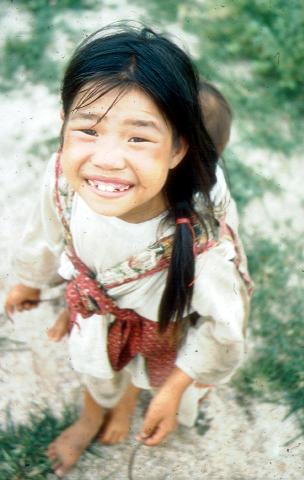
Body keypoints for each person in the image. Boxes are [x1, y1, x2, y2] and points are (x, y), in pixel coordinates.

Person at [5, 25, 252, 478]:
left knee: (136, 371)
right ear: (64, 121)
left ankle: (126, 404)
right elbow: (44, 226)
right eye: (89, 129)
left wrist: (175, 387)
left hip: (154, 327)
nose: (107, 158)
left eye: (138, 137)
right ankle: (92, 414)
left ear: (179, 147)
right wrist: (31, 279)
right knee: (96, 366)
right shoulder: (62, 173)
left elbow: (224, 328)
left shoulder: (199, 246)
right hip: (97, 315)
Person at [44, 79, 234, 344]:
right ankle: (74, 310)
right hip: (93, 282)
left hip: (145, 317)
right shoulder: (84, 186)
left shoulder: (200, 228)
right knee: (89, 271)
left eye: (139, 139)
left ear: (178, 153)